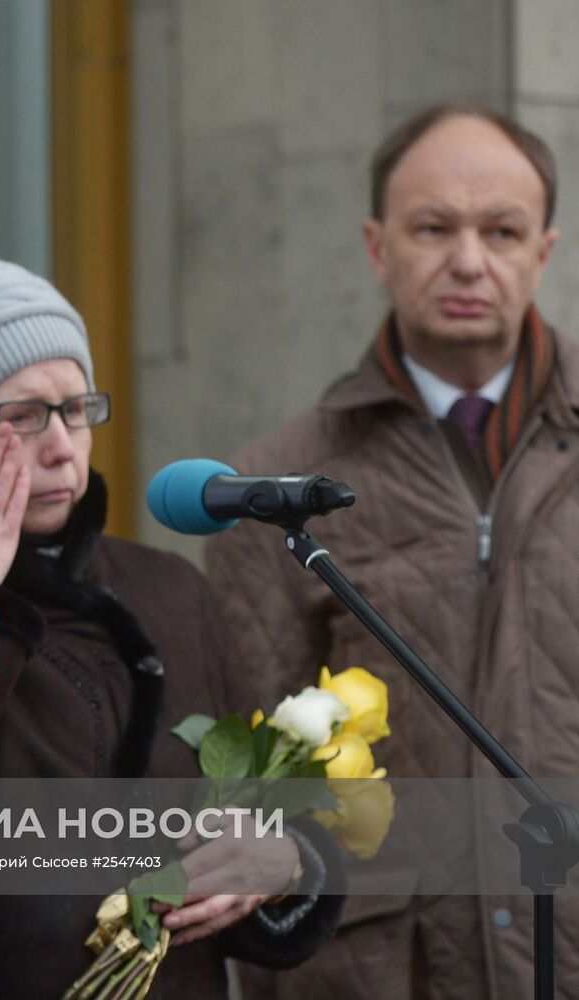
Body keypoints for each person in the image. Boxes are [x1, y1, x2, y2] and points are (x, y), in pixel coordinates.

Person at [0, 254, 344, 998]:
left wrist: (284, 865)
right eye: (22, 416)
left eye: (77, 410)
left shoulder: (168, 591)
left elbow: (262, 813)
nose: (61, 444)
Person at [205, 104, 576, 998]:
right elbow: (253, 791)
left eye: (501, 231)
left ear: (544, 251)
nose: (468, 260)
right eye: (433, 228)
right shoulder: (278, 485)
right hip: (378, 971)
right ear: (378, 247)